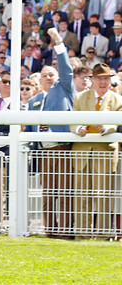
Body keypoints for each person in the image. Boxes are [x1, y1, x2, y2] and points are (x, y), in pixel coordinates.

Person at [25, 28, 75, 239]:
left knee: (64, 194)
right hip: (43, 152)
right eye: (44, 75)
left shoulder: (64, 88)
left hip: (62, 149)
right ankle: (50, 231)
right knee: (48, 195)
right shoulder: (34, 100)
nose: (47, 77)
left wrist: (58, 44)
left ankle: (64, 231)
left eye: (51, 74)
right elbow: (29, 128)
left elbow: (66, 70)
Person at [71, 63, 122, 239]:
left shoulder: (118, 100)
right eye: (99, 78)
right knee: (81, 195)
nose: (103, 82)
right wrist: (79, 130)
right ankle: (82, 234)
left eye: (106, 78)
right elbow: (72, 121)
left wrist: (106, 128)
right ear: (92, 80)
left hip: (105, 151)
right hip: (83, 151)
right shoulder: (80, 98)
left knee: (103, 195)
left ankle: (103, 235)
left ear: (110, 80)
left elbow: (117, 125)